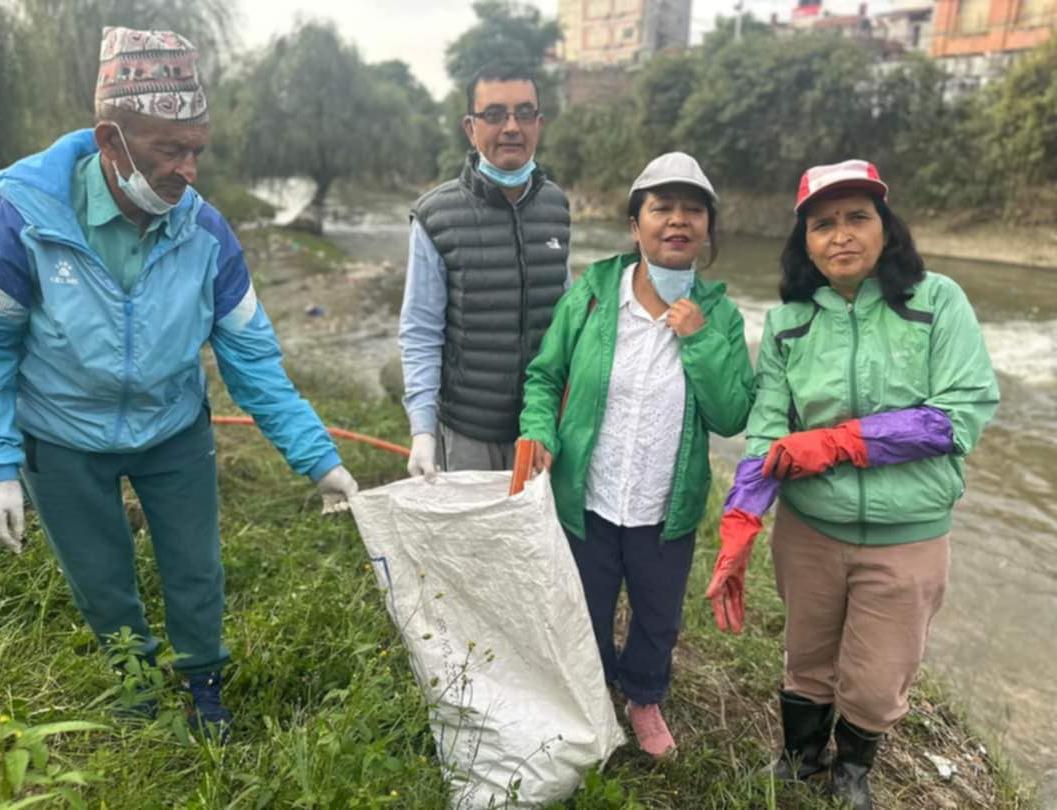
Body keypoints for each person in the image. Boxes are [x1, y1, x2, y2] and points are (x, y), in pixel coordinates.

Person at [0, 27, 359, 741]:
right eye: (168, 151)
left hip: (172, 428)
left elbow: (253, 362)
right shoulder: (18, 219)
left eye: (197, 151)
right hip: (59, 437)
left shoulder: (207, 233)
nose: (188, 171)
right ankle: (136, 690)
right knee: (101, 578)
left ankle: (205, 688)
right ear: (111, 141)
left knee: (195, 570)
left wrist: (321, 461)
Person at [704, 160, 999, 808]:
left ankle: (853, 770)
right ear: (804, 241)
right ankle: (802, 758)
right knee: (806, 657)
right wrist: (740, 522)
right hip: (810, 529)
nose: (840, 235)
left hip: (909, 534)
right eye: (823, 223)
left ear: (884, 227)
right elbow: (765, 432)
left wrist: (839, 442)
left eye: (857, 218)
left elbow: (962, 412)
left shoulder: (938, 301)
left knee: (878, 674)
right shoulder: (787, 323)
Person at [520, 153, 754, 758]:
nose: (677, 221)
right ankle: (593, 692)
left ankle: (645, 698)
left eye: (692, 210)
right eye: (662, 208)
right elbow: (545, 377)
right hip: (587, 499)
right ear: (635, 225)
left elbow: (732, 415)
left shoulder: (721, 316)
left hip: (664, 509)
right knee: (586, 609)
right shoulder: (594, 296)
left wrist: (698, 337)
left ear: (708, 228)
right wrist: (539, 431)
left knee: (657, 616)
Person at [399, 63, 570, 479]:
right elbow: (420, 329)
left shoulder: (556, 207)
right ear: (470, 128)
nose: (511, 127)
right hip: (466, 433)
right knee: (470, 544)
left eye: (524, 113)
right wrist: (422, 430)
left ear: (539, 124)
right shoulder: (435, 216)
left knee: (533, 543)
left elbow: (567, 317)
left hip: (541, 430)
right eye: (494, 114)